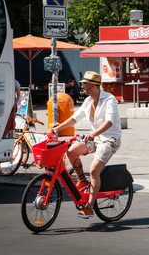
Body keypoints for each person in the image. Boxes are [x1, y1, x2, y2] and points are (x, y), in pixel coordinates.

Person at [49, 71, 122, 219]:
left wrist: (93, 134)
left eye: (85, 85)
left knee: (94, 170)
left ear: (94, 86)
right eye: (83, 84)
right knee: (71, 151)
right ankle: (82, 181)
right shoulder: (88, 101)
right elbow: (74, 118)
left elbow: (110, 122)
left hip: (110, 140)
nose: (82, 87)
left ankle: (89, 207)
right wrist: (57, 128)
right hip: (95, 138)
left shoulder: (109, 99)